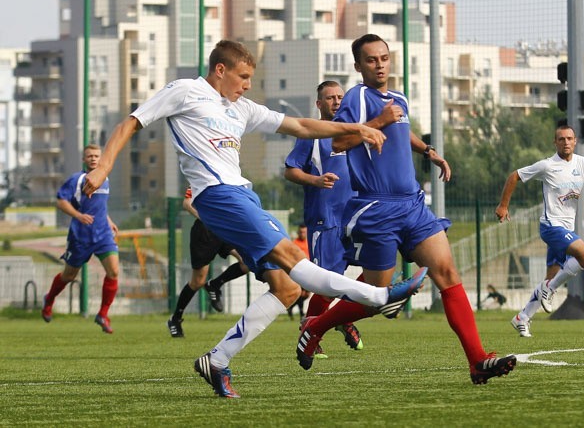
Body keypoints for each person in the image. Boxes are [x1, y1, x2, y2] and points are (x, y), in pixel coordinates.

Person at [81, 40, 426, 398]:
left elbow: (302, 126)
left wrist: (356, 129)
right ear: (220, 70)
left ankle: (217, 360)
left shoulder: (241, 108)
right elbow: (130, 123)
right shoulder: (186, 90)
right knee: (294, 259)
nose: (246, 84)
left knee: (288, 287)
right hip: (217, 194)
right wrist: (103, 167)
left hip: (243, 195)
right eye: (243, 76)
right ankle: (379, 295)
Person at [294, 34, 517, 385]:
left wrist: (428, 151)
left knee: (447, 272)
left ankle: (478, 360)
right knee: (376, 299)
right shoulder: (357, 98)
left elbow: (403, 132)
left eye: (384, 58)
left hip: (412, 204)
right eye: (371, 60)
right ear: (359, 66)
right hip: (375, 208)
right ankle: (316, 326)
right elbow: (338, 141)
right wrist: (378, 122)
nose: (380, 64)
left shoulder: (398, 98)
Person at [285, 80, 397, 355]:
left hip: (358, 217)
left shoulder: (355, 132)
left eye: (339, 97)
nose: (336, 101)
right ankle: (309, 333)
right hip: (327, 219)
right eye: (330, 98)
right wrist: (315, 179)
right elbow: (290, 171)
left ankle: (342, 317)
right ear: (319, 104)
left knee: (375, 271)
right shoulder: (311, 135)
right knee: (327, 283)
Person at [495, 124, 584, 338]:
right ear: (555, 142)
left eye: (569, 138)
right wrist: (503, 206)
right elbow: (514, 176)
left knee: (551, 277)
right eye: (561, 139)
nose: (566, 142)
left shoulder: (583, 163)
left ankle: (523, 317)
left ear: (575, 140)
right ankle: (551, 288)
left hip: (567, 228)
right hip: (551, 226)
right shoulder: (547, 165)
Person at [41, 144, 119, 334]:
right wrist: (78, 215)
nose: (93, 158)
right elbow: (61, 201)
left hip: (103, 235)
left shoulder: (104, 178)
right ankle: (49, 299)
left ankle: (103, 314)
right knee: (69, 276)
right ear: (84, 159)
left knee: (114, 272)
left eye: (96, 156)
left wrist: (109, 221)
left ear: (101, 158)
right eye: (89, 156)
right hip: (81, 236)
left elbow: (99, 206)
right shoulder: (77, 179)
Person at [166, 187, 250, 338]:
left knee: (247, 262)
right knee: (197, 281)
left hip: (225, 229)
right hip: (205, 231)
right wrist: (206, 218)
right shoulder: (203, 177)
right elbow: (186, 203)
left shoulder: (231, 177)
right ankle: (175, 319)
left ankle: (215, 284)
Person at [286, 224, 310, 321]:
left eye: (304, 232)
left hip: (309, 270)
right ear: (298, 232)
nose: (302, 234)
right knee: (300, 293)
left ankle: (291, 308)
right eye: (300, 232)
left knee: (306, 294)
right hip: (299, 270)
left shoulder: (309, 242)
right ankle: (301, 313)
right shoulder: (294, 243)